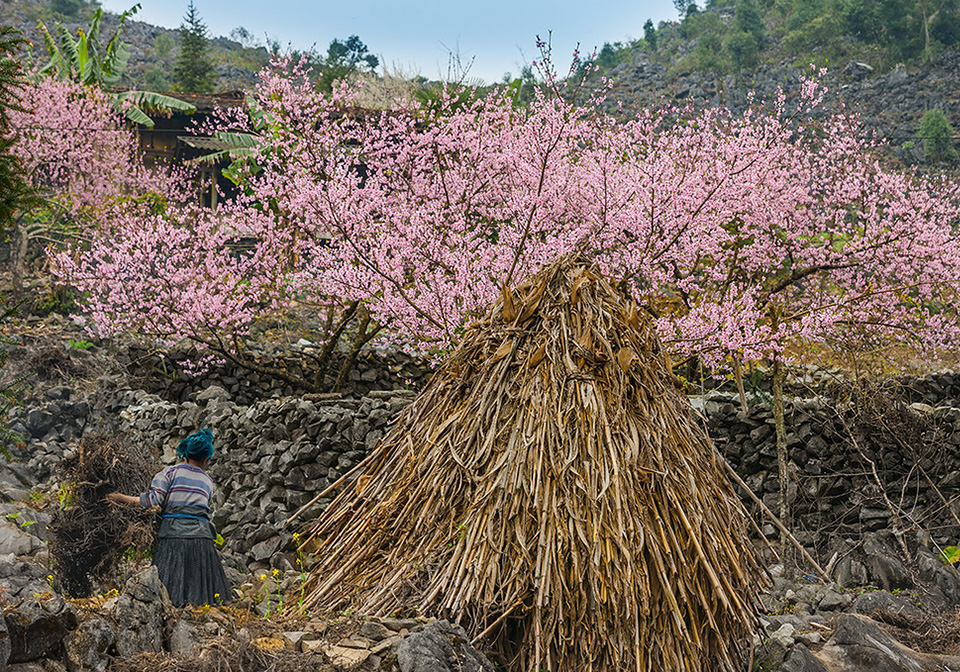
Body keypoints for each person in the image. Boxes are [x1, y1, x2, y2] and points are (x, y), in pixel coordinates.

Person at [107, 428, 231, 607]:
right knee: (202, 600)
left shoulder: (169, 473)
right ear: (206, 459)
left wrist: (120, 497)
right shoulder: (208, 481)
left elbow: (153, 501)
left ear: (185, 454)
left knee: (168, 595)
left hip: (174, 536)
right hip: (201, 539)